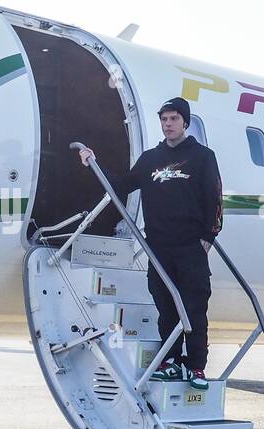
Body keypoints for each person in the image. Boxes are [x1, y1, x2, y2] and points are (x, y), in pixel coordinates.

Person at [79, 97, 223, 388]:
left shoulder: (202, 157)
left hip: (190, 246)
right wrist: (94, 163)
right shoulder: (150, 159)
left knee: (194, 307)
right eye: (164, 119)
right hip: (158, 247)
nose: (168, 124)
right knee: (165, 307)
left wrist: (208, 238)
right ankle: (169, 362)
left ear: (185, 121)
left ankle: (196, 367)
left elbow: (215, 199)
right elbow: (121, 186)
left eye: (173, 119)